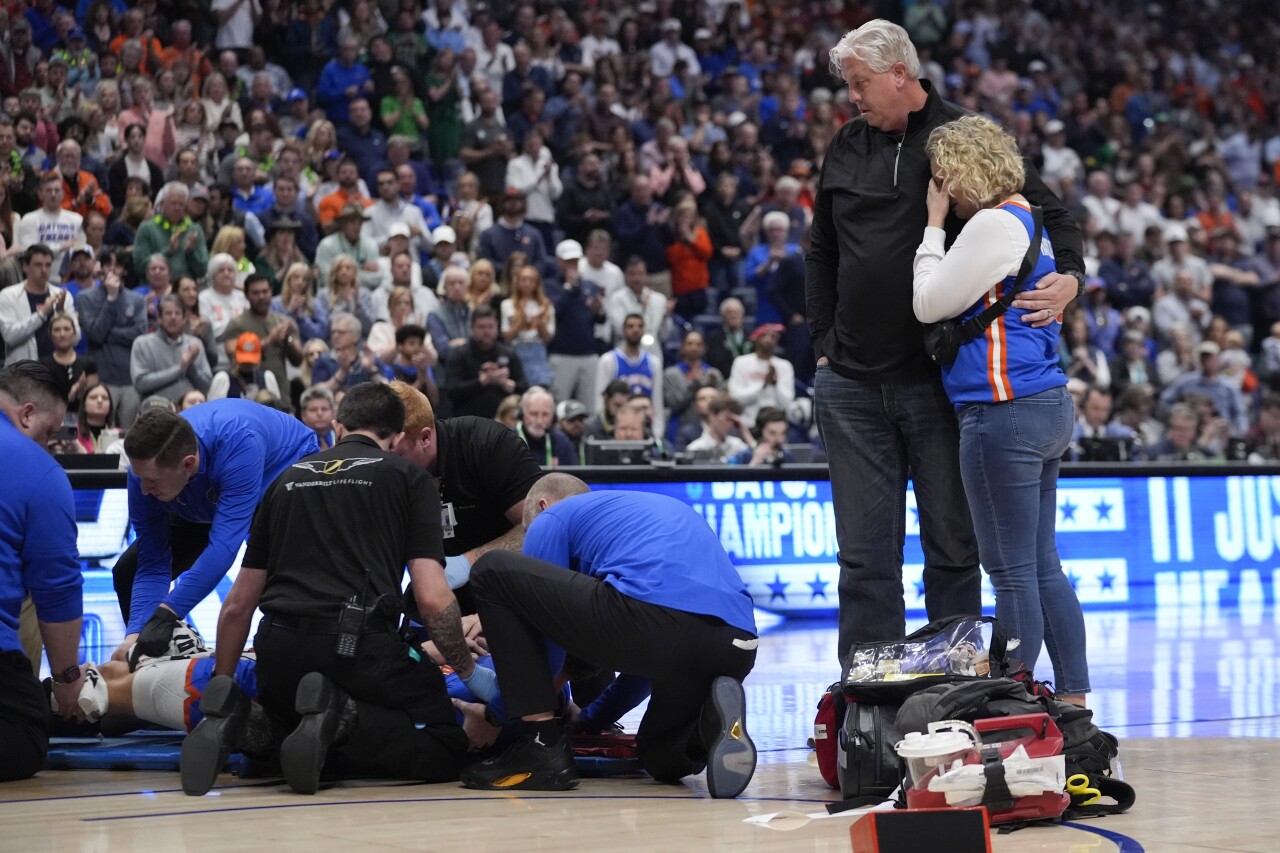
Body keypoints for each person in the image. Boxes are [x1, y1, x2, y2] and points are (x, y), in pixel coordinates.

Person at [806, 21, 1083, 655]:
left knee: (954, 550)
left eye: (860, 84)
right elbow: (820, 249)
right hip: (849, 380)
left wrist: (1070, 279)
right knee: (864, 561)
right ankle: (865, 704)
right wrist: (822, 338)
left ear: (899, 73)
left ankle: (951, 693)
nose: (852, 97)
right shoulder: (846, 144)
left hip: (939, 382)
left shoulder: (964, 138)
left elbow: (1052, 215)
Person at [180, 383, 478, 796]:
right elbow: (431, 596)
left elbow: (237, 605)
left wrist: (223, 683)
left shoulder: (284, 481)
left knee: (299, 721)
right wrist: (467, 669)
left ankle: (248, 723)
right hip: (355, 649)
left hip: (279, 653)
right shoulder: (408, 478)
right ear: (396, 437)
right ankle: (343, 715)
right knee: (446, 744)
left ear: (337, 426)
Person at [912, 114, 1087, 704]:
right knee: (1042, 567)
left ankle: (1009, 696)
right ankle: (1072, 699)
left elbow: (928, 303)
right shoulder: (1029, 218)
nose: (943, 192)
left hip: (1001, 411)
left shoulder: (988, 224)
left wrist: (934, 228)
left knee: (1011, 573)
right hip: (1047, 404)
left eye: (944, 181)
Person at [461, 475, 758, 797]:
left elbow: (546, 640)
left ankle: (539, 746)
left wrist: (495, 714)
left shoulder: (551, 518)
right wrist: (587, 722)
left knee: (492, 570)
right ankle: (711, 728)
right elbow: (644, 665)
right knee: (662, 759)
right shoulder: (642, 517)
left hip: (657, 626)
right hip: (736, 644)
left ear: (542, 506)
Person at [109, 398, 320, 661]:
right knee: (127, 571)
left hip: (280, 471)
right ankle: (145, 659)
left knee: (277, 575)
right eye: (140, 479)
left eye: (151, 481)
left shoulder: (238, 442)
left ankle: (281, 661)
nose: (143, 491)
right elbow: (152, 562)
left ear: (187, 463)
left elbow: (223, 547)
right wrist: (137, 633)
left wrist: (167, 612)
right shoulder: (144, 473)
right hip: (203, 490)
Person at [0, 362, 85, 782]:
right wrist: (68, 677)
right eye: (50, 434)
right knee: (29, 735)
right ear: (27, 414)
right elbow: (58, 591)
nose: (50, 445)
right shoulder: (40, 471)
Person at [388, 380, 544, 598]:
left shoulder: (488, 445)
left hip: (505, 589)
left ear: (424, 437)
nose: (387, 465)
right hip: (433, 590)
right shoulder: (382, 466)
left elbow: (539, 526)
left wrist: (468, 561)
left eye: (396, 456)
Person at [77, 262, 146, 428]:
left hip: (130, 379)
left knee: (131, 433)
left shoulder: (136, 299)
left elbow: (139, 335)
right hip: (102, 379)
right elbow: (96, 334)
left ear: (124, 269)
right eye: (108, 265)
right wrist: (111, 298)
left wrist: (108, 331)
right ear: (100, 269)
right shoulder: (85, 297)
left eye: (118, 265)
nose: (113, 270)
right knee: (100, 429)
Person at [444, 305, 529, 419]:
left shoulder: (508, 354)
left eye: (490, 327)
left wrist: (506, 384)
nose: (486, 331)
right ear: (472, 328)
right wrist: (483, 381)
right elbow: (451, 390)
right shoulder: (459, 354)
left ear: (497, 327)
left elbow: (524, 387)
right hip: (467, 421)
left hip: (502, 423)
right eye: (481, 327)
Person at [595, 313, 664, 432]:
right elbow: (600, 400)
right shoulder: (608, 360)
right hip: (617, 426)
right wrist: (603, 429)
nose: (635, 330)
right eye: (631, 326)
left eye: (639, 326)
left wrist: (658, 431)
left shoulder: (654, 362)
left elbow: (657, 401)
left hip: (644, 427)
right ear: (623, 330)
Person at [727, 324, 795, 426]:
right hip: (748, 423)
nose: (768, 339)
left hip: (775, 425)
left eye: (773, 337)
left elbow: (787, 402)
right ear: (756, 338)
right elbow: (736, 398)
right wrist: (763, 384)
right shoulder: (741, 362)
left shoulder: (784, 366)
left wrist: (775, 383)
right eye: (764, 335)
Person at [208, 332, 281, 401]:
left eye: (250, 361)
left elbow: (276, 410)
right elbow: (213, 409)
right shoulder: (223, 379)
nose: (247, 364)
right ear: (235, 356)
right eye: (244, 361)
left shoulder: (267, 377)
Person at [516, 385, 576, 467]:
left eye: (545, 414)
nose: (539, 421)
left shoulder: (562, 441)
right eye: (534, 414)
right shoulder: (507, 440)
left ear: (553, 417)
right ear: (522, 414)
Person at [685, 392, 750, 462]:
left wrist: (746, 433)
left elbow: (758, 459)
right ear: (712, 416)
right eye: (727, 419)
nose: (731, 424)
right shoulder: (696, 448)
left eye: (734, 421)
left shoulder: (738, 445)